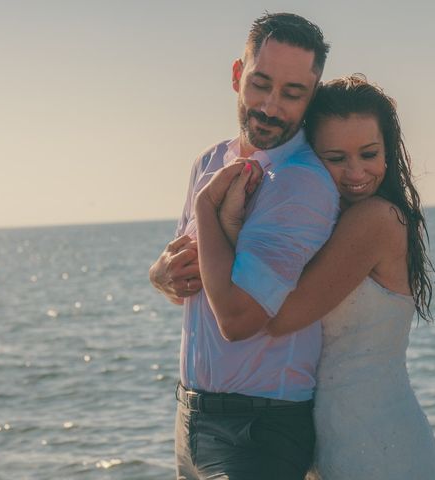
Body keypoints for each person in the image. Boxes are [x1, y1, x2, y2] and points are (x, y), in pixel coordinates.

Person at [198, 75, 435, 479]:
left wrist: (220, 218)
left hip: (379, 446)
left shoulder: (376, 219)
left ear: (389, 153)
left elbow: (276, 316)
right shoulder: (321, 223)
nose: (356, 173)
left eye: (369, 154)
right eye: (335, 157)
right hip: (326, 442)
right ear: (312, 157)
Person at [149, 12, 339, 480]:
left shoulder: (303, 185)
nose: (271, 106)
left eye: (292, 93)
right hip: (190, 418)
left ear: (311, 96)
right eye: (261, 84)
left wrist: (207, 208)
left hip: (261, 428)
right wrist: (159, 276)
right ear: (238, 76)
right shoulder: (209, 161)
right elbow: (188, 285)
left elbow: (237, 320)